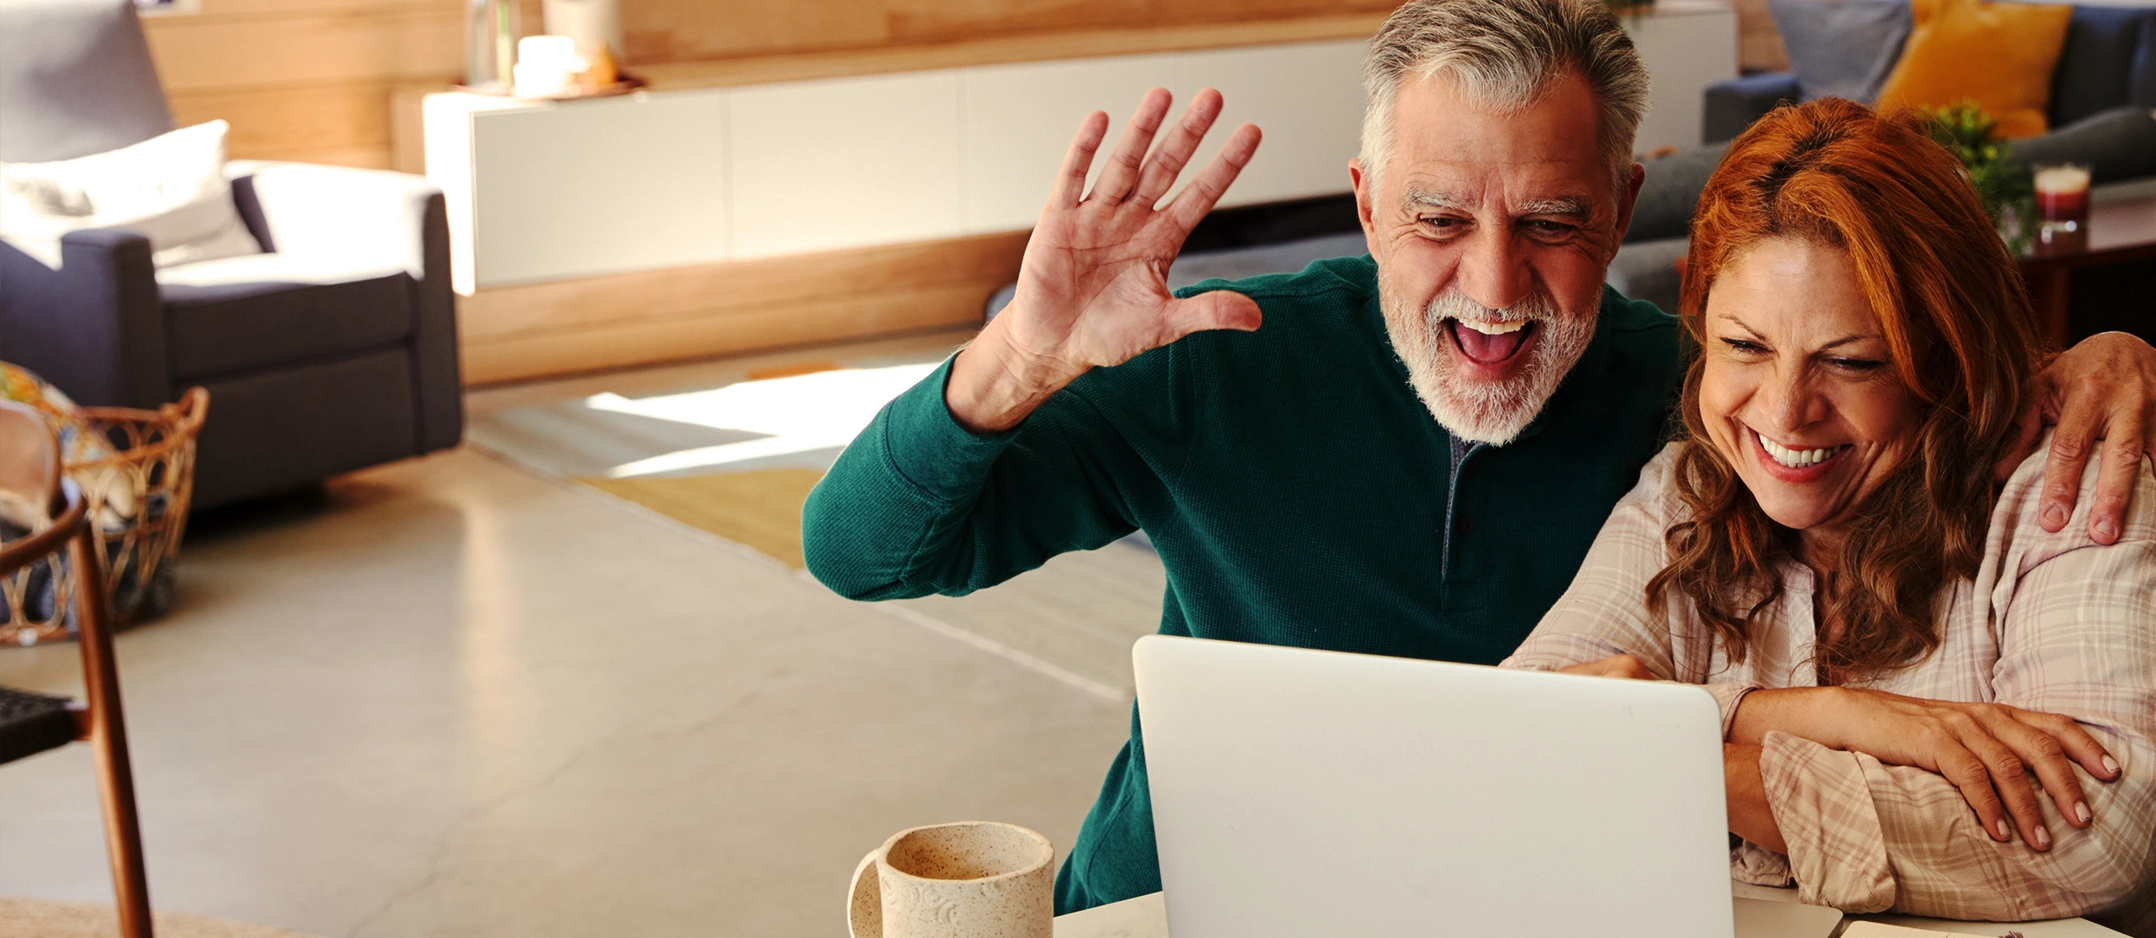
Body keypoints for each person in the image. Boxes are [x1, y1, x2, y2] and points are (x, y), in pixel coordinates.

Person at [802, 0, 2156, 914]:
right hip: (1188, 894)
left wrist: (2091, 350)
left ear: (1625, 208)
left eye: (1554, 220)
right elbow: (858, 554)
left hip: (1510, 899)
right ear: (1365, 206)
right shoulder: (1217, 355)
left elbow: (1855, 365)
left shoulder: (1686, 404)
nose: (1495, 286)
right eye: (1439, 215)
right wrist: (1013, 360)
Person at [1503, 98, 2155, 933]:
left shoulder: (2062, 486)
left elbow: (2100, 832)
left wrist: (1687, 751)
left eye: (1850, 361)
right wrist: (1834, 715)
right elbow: (1518, 730)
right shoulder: (1685, 489)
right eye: (1745, 347)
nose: (1784, 413)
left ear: (1947, 354)